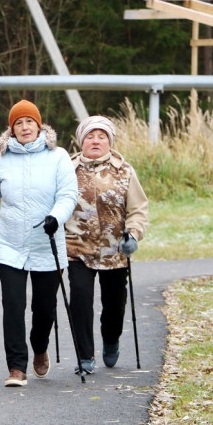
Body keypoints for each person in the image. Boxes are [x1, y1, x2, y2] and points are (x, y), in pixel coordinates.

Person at [0, 99, 78, 387]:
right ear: (12, 130)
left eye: (29, 121)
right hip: (10, 244)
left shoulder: (58, 157)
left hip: (47, 242)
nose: (24, 127)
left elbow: (68, 195)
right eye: (18, 123)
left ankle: (40, 346)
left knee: (44, 309)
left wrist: (56, 217)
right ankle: (16, 367)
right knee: (13, 305)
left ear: (39, 125)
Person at [65, 115, 149, 374]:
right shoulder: (67, 169)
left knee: (114, 304)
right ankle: (85, 355)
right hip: (77, 248)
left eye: (101, 136)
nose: (96, 140)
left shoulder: (124, 171)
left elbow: (138, 208)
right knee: (80, 299)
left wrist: (133, 235)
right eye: (90, 136)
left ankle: (111, 339)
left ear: (110, 142)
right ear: (81, 141)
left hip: (115, 251)